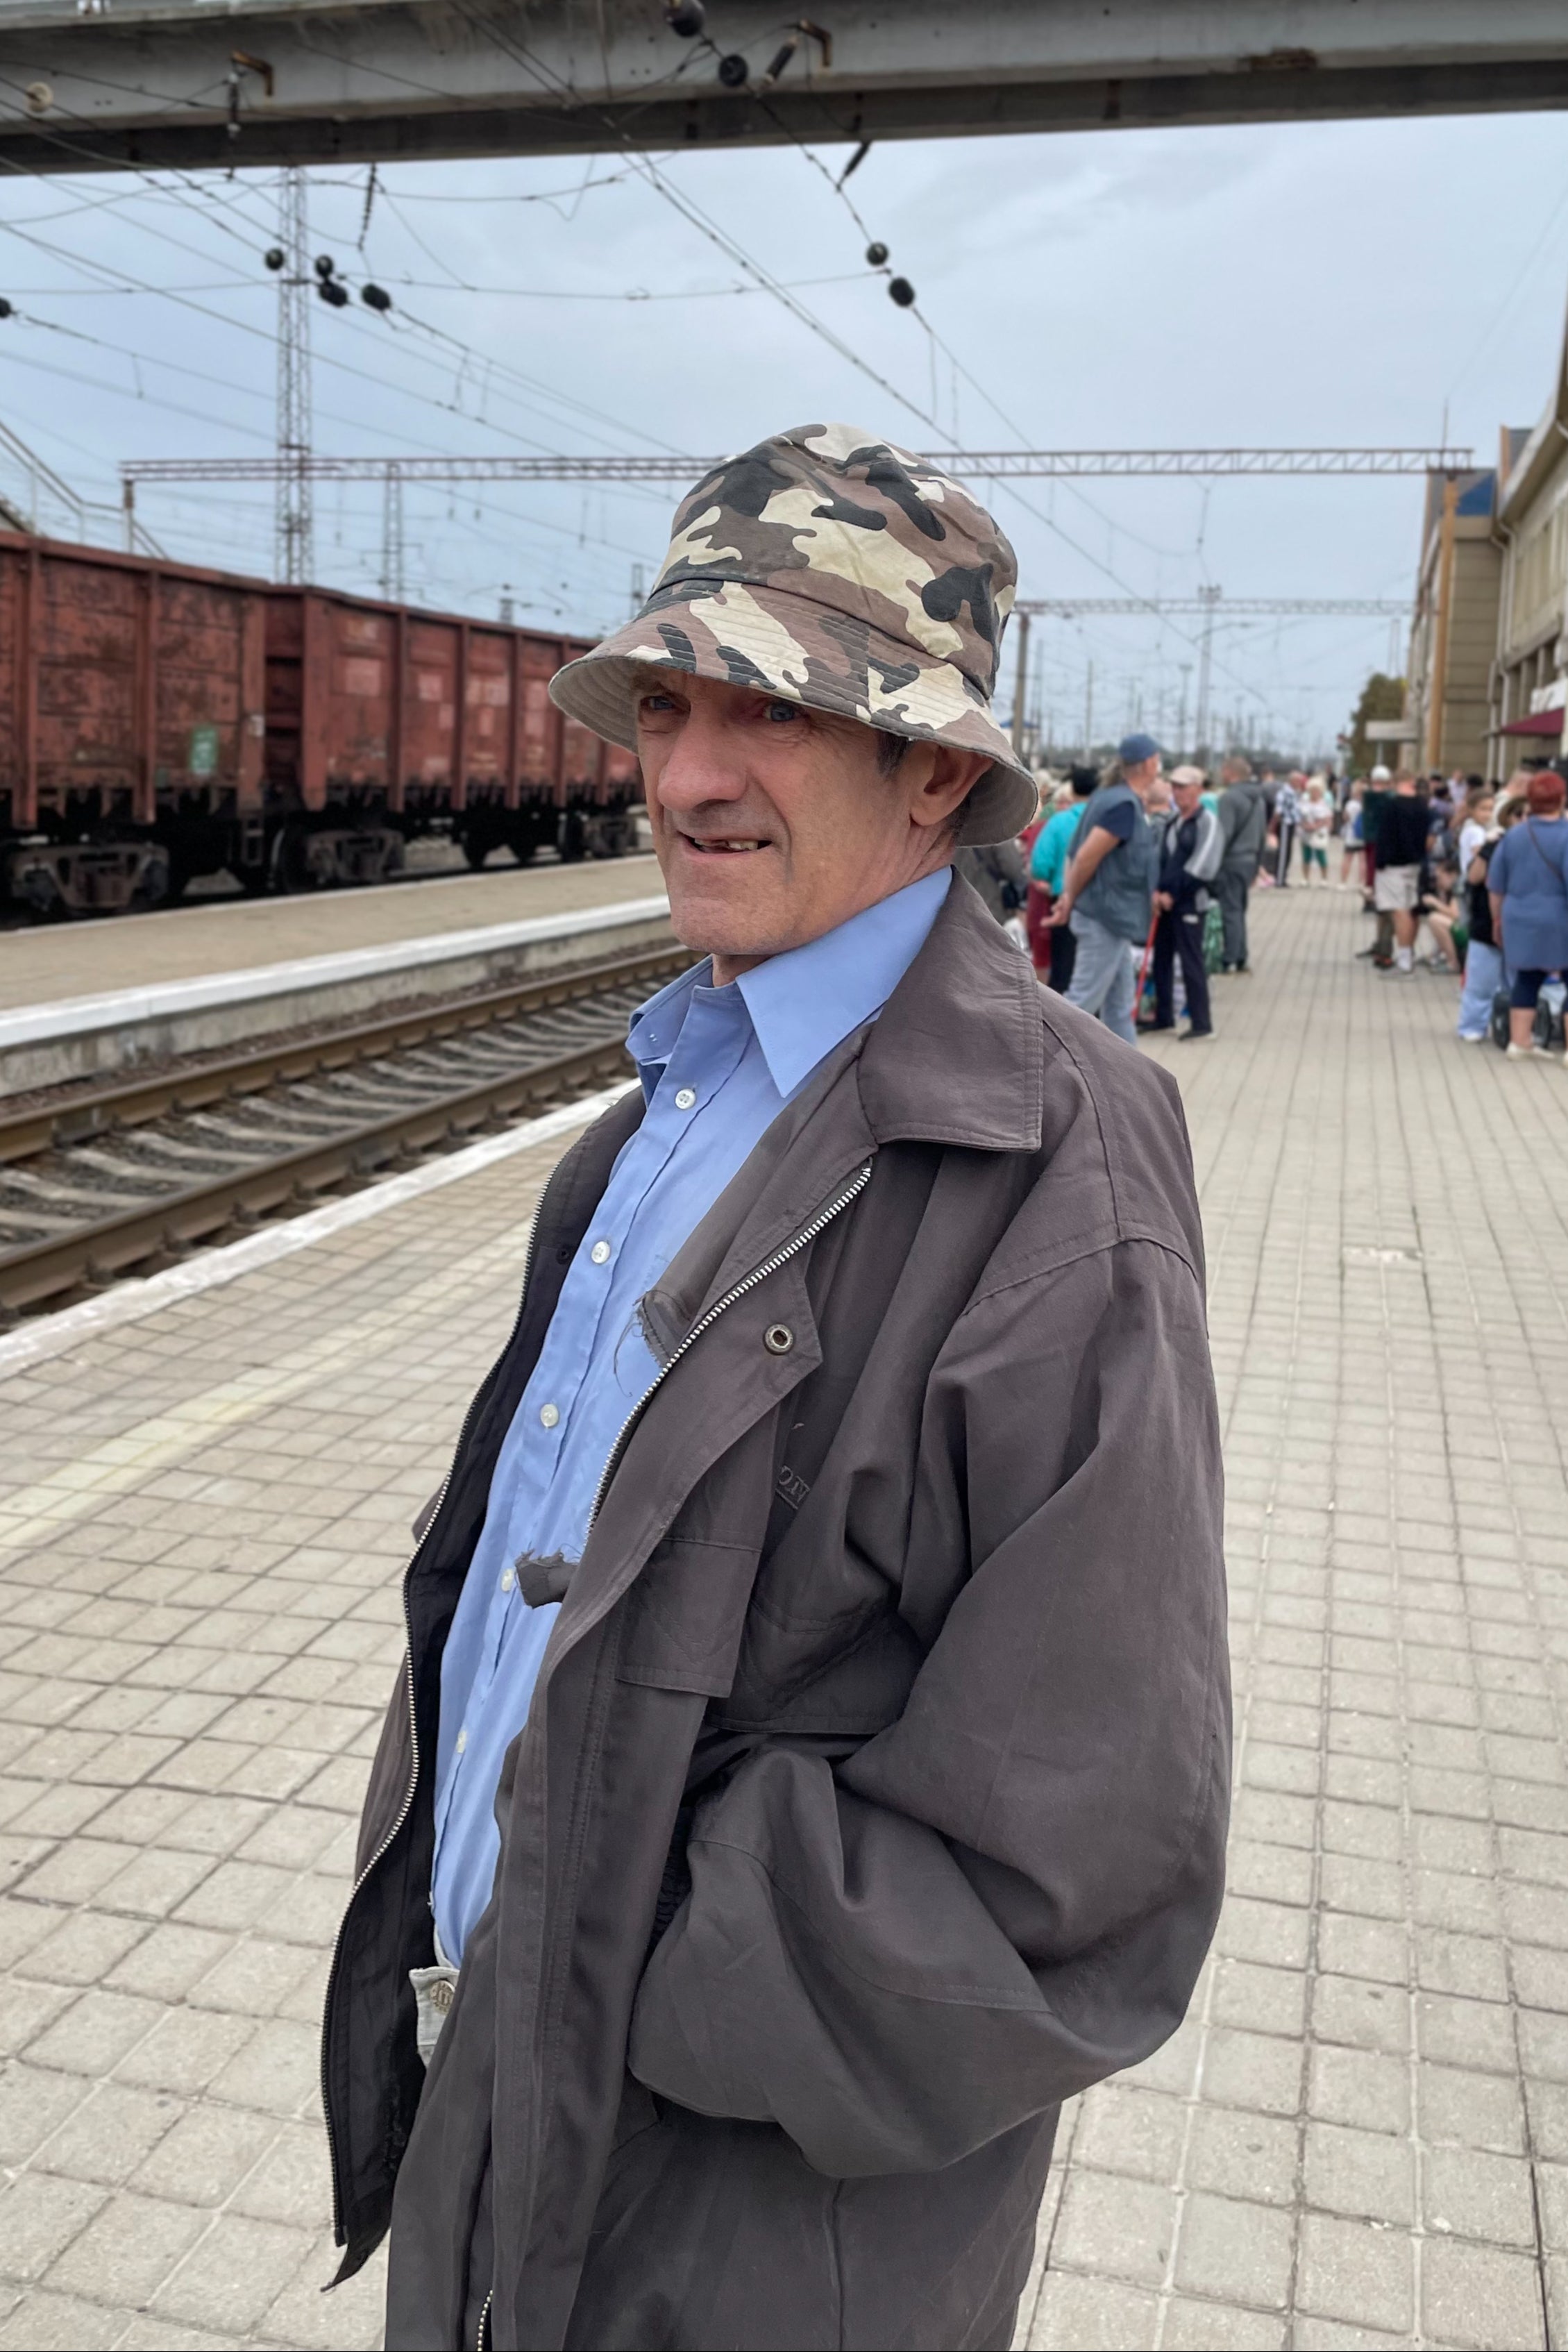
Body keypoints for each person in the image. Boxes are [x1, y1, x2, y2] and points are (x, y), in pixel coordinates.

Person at [322, 424, 1230, 2352]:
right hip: (502, 2142)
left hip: (748, 2238)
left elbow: (1078, 1872)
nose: (686, 773)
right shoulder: (647, 1124)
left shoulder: (1059, 1169)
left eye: (773, 710)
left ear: (930, 766)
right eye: (663, 702)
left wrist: (621, 1953)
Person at [1049, 732, 1163, 1043]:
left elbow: (1076, 853)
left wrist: (1068, 898)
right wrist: (1070, 898)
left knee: (1119, 1006)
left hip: (1112, 920)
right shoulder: (1122, 806)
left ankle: (1130, 1080)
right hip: (1104, 918)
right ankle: (1040, 1066)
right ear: (1150, 764)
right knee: (1081, 1002)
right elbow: (1086, 858)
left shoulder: (1108, 797)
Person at [1487, 768, 1568, 1059]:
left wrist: (1497, 919)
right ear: (1561, 799)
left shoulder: (1512, 837)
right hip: (1560, 918)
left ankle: (1519, 1043)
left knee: (1526, 979)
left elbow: (1495, 886)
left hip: (1518, 917)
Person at [1147, 764, 1222, 1039]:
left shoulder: (1207, 822)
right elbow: (1159, 859)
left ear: (1199, 790)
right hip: (1165, 904)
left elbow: (1204, 865)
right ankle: (1163, 1016)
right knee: (1162, 961)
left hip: (1191, 903)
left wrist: (1173, 894)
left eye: (1184, 787)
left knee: (1192, 962)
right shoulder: (1173, 821)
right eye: (1174, 787)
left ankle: (1202, 1024)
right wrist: (1155, 892)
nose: (1178, 792)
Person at [1455, 798, 1519, 1043]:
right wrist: (1486, 850)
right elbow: (1474, 878)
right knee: (1481, 980)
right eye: (1517, 814)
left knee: (1515, 983)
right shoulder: (1494, 843)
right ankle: (1473, 1025)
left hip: (1518, 923)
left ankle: (1512, 1028)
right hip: (1486, 922)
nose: (1522, 819)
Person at [1030, 766, 1096, 991]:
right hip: (1100, 902)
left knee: (1063, 966)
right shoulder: (1106, 823)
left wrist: (1049, 878)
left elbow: (1040, 864)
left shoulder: (1058, 822)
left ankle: (1061, 1021)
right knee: (1093, 968)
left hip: (1062, 897)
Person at [1372, 771, 1431, 975]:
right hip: (1414, 863)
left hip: (1393, 865)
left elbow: (1384, 835)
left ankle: (1405, 960)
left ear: (1397, 783)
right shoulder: (1423, 806)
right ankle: (1409, 953)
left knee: (1399, 911)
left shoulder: (1393, 806)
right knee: (1411, 909)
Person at [1213, 757, 1268, 971]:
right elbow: (1263, 835)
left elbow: (1223, 835)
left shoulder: (1229, 798)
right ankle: (1242, 954)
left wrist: (1212, 864)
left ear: (1229, 772)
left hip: (1231, 861)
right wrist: (1258, 865)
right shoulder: (1259, 800)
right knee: (1240, 908)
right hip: (1249, 859)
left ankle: (1230, 958)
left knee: (1230, 909)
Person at [1298, 775, 1333, 885]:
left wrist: (1316, 826)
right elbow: (1299, 817)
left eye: (1316, 790)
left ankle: (1324, 879)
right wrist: (1305, 825)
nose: (1314, 792)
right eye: (1312, 790)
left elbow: (1328, 819)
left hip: (1319, 833)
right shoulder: (1304, 802)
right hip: (1306, 833)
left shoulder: (1324, 804)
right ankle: (1305, 879)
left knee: (1321, 856)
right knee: (1306, 856)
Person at [1272, 771, 1304, 886]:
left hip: (1292, 824)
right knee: (1283, 852)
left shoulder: (1295, 793)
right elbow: (1278, 811)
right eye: (1297, 781)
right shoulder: (1284, 793)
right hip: (1285, 823)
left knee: (1288, 852)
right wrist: (1274, 825)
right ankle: (1279, 879)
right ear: (1291, 781)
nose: (1299, 783)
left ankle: (1283, 876)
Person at [1339, 780, 1366, 891]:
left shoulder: (1351, 804)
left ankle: (1343, 882)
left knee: (1347, 859)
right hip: (1364, 836)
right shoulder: (1367, 805)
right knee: (1363, 860)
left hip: (1351, 835)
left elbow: (1345, 818)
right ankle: (1361, 883)